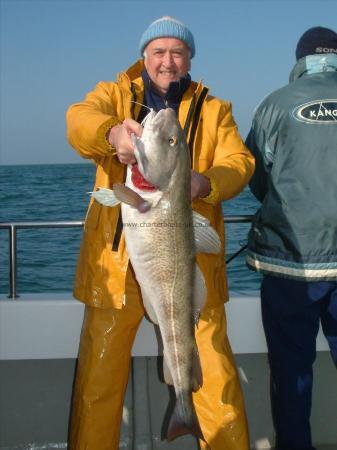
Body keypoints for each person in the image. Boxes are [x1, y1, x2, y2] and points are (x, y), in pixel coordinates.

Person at [67, 16, 255, 450]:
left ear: (189, 58)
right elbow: (78, 122)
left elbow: (239, 162)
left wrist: (204, 183)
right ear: (144, 57)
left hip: (189, 264)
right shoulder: (112, 94)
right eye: (158, 52)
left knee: (217, 380)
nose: (168, 61)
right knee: (98, 383)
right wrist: (110, 131)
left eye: (177, 52)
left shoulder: (214, 109)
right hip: (113, 273)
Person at [245, 26, 337, 450]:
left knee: (292, 375)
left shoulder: (273, 105)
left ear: (300, 61)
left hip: (291, 265)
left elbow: (257, 179)